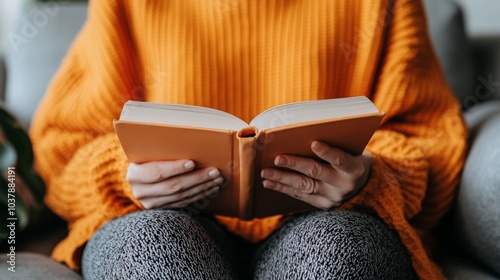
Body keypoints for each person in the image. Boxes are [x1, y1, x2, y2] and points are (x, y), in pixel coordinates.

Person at [30, 0, 467, 279]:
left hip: (328, 217)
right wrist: (123, 177)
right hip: (162, 218)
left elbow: (428, 135)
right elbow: (62, 146)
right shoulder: (125, 5)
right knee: (150, 252)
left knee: (339, 253)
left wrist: (372, 177)